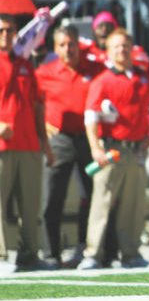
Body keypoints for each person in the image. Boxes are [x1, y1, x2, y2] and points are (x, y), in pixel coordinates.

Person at [78, 29, 149, 269]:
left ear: (133, 49)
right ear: (108, 51)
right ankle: (92, 254)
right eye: (117, 46)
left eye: (126, 46)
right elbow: (91, 116)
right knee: (102, 202)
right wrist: (95, 148)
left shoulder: (147, 78)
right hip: (111, 149)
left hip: (137, 149)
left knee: (134, 204)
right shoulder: (103, 80)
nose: (122, 50)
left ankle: (131, 253)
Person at [37, 26, 105, 268]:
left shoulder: (95, 69)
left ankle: (86, 249)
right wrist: (42, 123)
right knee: (52, 197)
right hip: (60, 139)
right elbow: (32, 101)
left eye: (72, 44)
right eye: (63, 45)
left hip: (88, 140)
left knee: (92, 195)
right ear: (55, 48)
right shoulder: (44, 72)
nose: (68, 49)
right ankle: (50, 254)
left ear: (79, 45)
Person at [0, 14, 54, 272]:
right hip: (2, 146)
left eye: (10, 31)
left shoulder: (25, 65)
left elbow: (36, 107)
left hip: (29, 144)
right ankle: (1, 256)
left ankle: (30, 254)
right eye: (1, 30)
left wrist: (45, 143)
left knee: (31, 204)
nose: (6, 35)